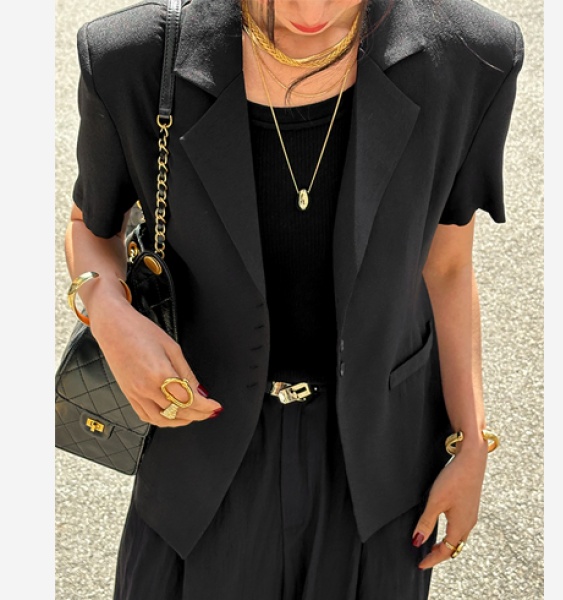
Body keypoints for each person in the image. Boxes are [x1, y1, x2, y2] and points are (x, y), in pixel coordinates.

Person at [62, 0, 524, 597]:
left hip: (376, 471)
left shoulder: (469, 56)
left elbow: (448, 263)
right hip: (199, 462)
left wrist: (471, 442)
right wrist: (108, 314)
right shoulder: (132, 58)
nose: (310, 10)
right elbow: (90, 225)